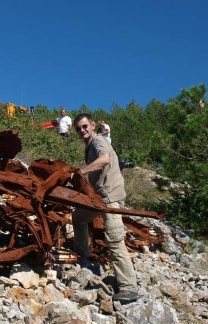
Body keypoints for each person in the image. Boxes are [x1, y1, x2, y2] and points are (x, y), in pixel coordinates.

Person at [72, 113, 140, 304]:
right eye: (78, 128)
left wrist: (82, 172)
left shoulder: (98, 141)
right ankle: (83, 257)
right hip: (100, 198)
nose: (82, 130)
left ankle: (129, 287)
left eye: (85, 126)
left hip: (110, 199)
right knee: (78, 218)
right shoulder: (90, 144)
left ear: (92, 125)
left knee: (115, 240)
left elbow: (105, 159)